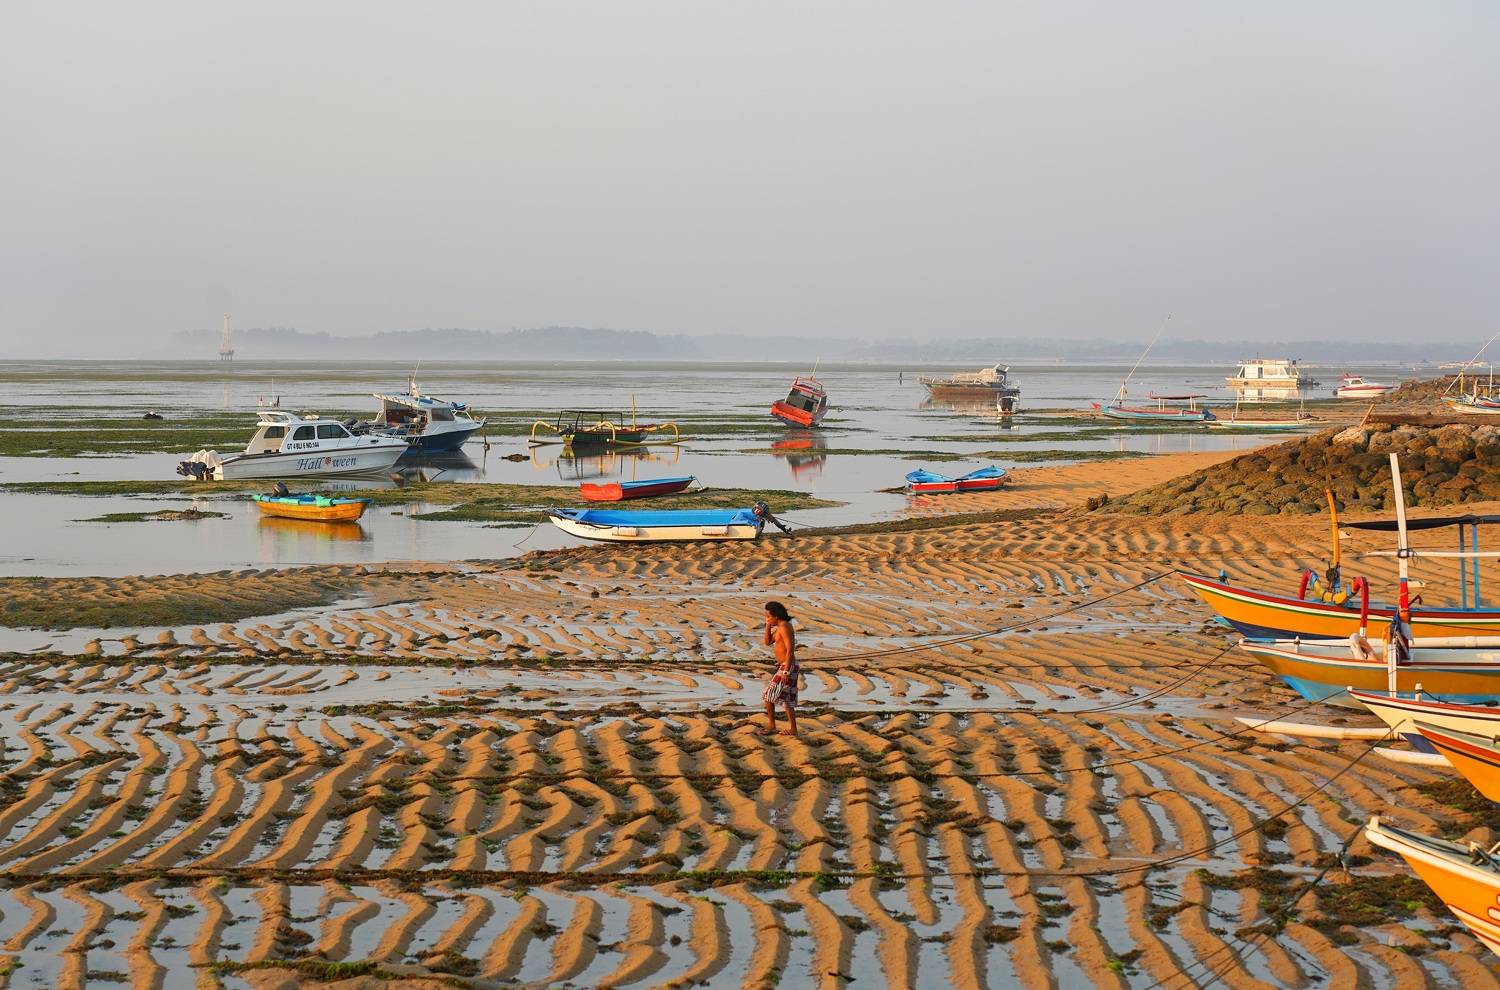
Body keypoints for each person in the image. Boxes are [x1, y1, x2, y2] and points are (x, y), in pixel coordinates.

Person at [760, 600, 800, 736]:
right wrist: (767, 625)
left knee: (768, 695)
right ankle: (791, 729)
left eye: (769, 616)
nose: (768, 619)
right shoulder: (779, 627)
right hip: (784, 666)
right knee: (786, 699)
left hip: (788, 666)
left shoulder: (785, 627)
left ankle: (772, 726)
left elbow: (790, 650)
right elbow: (767, 642)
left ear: (776, 616)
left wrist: (786, 671)